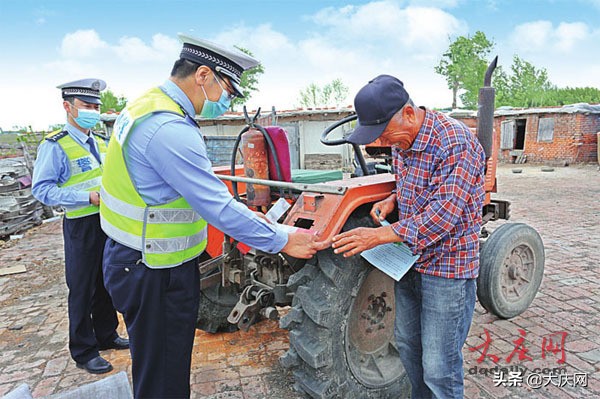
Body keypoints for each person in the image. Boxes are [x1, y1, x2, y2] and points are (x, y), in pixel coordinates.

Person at [99, 34, 329, 399]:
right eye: (228, 90)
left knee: (159, 364)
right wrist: (284, 238)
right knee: (163, 373)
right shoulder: (168, 128)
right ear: (203, 74)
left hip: (135, 256)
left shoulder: (144, 105)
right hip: (154, 268)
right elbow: (218, 208)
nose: (227, 101)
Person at [332, 75, 486, 399]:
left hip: (447, 269)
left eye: (384, 132)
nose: (384, 142)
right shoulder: (403, 141)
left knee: (439, 366)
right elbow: (416, 187)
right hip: (410, 263)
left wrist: (377, 237)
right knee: (408, 348)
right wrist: (393, 200)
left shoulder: (455, 142)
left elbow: (441, 217)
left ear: (409, 113)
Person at [32, 79, 129, 375]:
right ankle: (84, 350)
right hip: (81, 224)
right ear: (67, 107)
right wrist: (85, 197)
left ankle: (106, 334)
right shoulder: (55, 145)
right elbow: (42, 189)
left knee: (106, 281)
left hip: (107, 221)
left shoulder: (100, 142)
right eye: (87, 106)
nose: (93, 111)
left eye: (96, 107)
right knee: (82, 287)